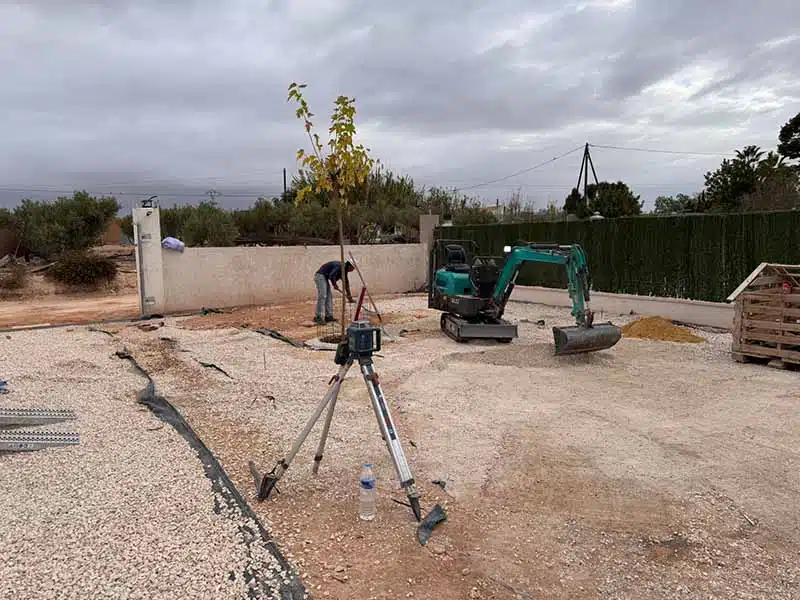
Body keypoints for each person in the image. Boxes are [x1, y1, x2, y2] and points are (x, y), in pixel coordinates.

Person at [314, 259, 355, 324]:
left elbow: (346, 284)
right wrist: (335, 285)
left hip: (325, 278)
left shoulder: (344, 271)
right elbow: (331, 275)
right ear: (350, 266)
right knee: (323, 296)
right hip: (320, 276)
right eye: (353, 268)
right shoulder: (340, 266)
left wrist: (349, 297)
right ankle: (318, 317)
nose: (353, 270)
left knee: (329, 297)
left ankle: (328, 316)